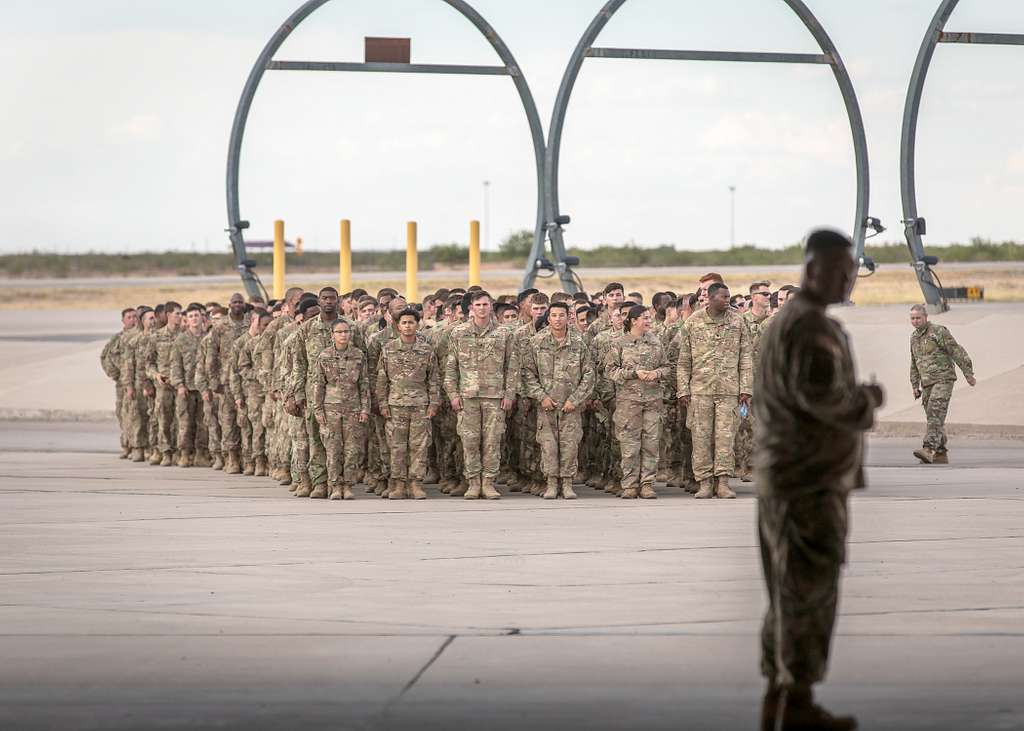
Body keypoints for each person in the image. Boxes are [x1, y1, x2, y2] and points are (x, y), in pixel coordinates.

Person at [756, 228, 884, 731]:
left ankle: (779, 694)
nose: (848, 279)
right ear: (812, 271)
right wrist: (866, 401)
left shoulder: (790, 321)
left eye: (851, 271)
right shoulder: (809, 328)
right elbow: (824, 400)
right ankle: (799, 702)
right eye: (839, 270)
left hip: (788, 478)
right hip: (807, 481)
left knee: (787, 590)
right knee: (808, 590)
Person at [677, 282, 752, 499]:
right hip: (700, 391)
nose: (728, 300)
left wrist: (746, 388)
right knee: (700, 438)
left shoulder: (738, 321)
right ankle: (705, 483)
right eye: (723, 297)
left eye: (728, 296)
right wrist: (683, 390)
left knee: (725, 438)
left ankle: (724, 483)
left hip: (729, 390)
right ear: (709, 298)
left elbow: (746, 357)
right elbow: (683, 361)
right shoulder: (693, 322)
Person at [444, 290, 519, 500]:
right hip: (468, 395)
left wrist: (509, 394)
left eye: (486, 304)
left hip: (495, 396)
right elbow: (451, 367)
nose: (482, 308)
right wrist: (452, 394)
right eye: (478, 305)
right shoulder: (459, 333)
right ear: (471, 308)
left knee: (492, 441)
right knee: (469, 441)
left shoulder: (504, 334)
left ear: (491, 306)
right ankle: (473, 482)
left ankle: (488, 482)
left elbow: (511, 367)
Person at [522, 301, 595, 499]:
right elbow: (527, 373)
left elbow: (589, 373)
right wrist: (541, 396)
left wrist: (576, 399)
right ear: (548, 317)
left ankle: (568, 483)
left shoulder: (579, 342)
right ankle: (552, 483)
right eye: (553, 315)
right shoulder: (537, 342)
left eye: (561, 315)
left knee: (570, 445)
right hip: (547, 405)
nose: (557, 319)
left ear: (568, 317)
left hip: (570, 405)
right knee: (548, 445)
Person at [605, 305, 671, 499]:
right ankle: (630, 484)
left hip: (652, 401)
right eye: (645, 318)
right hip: (628, 402)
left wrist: (656, 373)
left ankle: (647, 484)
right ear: (634, 321)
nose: (649, 321)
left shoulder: (656, 342)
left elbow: (667, 367)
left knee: (651, 444)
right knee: (629, 446)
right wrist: (633, 373)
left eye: (649, 318)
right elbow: (610, 371)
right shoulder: (619, 343)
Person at [376, 308, 441, 500]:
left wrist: (434, 403)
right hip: (395, 405)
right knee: (397, 446)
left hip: (420, 405)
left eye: (411, 322)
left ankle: (416, 483)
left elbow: (434, 379)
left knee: (419, 446)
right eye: (404, 322)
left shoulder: (426, 350)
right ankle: (398, 484)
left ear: (417, 324)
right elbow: (382, 379)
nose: (407, 326)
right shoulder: (389, 349)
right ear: (397, 326)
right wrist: (383, 404)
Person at [909, 304, 976, 464]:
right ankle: (940, 452)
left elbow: (956, 351)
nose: (916, 321)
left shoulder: (938, 331)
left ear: (926, 317)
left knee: (935, 411)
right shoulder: (914, 337)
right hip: (926, 383)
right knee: (934, 417)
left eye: (918, 318)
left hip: (943, 379)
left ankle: (928, 449)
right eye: (913, 318)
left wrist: (968, 373)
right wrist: (914, 385)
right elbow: (914, 361)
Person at [313, 319, 370, 500]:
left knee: (352, 449)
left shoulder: (358, 355)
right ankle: (335, 485)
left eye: (346, 331)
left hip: (353, 408)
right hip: (331, 409)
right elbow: (319, 385)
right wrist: (318, 410)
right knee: (333, 448)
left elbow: (364, 383)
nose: (343, 335)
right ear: (332, 335)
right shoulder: (324, 356)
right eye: (339, 332)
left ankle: (348, 485)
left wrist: (365, 409)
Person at [207, 293, 249, 474]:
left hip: (246, 379)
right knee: (228, 420)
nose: (238, 305)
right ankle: (231, 458)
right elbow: (211, 355)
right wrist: (213, 380)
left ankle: (248, 458)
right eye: (234, 302)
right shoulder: (220, 326)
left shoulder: (250, 323)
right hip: (226, 381)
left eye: (240, 302)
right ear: (229, 305)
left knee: (246, 420)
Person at [734, 282, 772, 481]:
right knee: (746, 425)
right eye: (764, 294)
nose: (768, 297)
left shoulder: (773, 321)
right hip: (747, 382)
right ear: (754, 297)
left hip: (767, 381)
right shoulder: (741, 321)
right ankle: (747, 466)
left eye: (769, 294)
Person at [170, 305, 208, 467]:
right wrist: (179, 385)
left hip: (203, 388)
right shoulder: (181, 339)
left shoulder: (208, 338)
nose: (194, 318)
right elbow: (175, 364)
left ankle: (201, 454)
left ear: (202, 318)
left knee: (203, 423)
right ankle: (184, 453)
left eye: (196, 315)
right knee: (185, 423)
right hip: (186, 388)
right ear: (188, 319)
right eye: (191, 316)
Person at [101, 308, 139, 459]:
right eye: (129, 317)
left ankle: (137, 446)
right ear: (123, 321)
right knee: (123, 414)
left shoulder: (139, 337)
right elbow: (105, 357)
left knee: (136, 415)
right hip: (122, 384)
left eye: (135, 317)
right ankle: (126, 445)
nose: (133, 320)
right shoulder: (117, 339)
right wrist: (116, 375)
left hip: (137, 381)